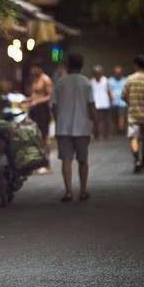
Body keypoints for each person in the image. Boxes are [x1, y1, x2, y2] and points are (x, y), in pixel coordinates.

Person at [51, 53, 99, 202]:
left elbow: (54, 105)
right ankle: (83, 191)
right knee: (83, 160)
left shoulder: (60, 82)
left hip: (63, 128)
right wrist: (96, 126)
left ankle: (68, 192)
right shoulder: (86, 83)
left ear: (67, 65)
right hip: (83, 128)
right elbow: (91, 106)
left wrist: (59, 120)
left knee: (66, 160)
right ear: (82, 66)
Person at [28, 61, 54, 173]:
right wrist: (28, 100)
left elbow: (50, 95)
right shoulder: (35, 79)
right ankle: (38, 163)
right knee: (36, 137)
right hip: (35, 110)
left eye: (35, 68)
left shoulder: (46, 79)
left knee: (44, 137)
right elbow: (34, 95)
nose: (33, 71)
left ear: (40, 69)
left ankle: (47, 164)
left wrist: (37, 101)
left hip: (43, 110)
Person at [90, 65, 112, 139]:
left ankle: (107, 134)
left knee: (106, 119)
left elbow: (109, 90)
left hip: (105, 102)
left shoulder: (105, 80)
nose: (97, 74)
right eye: (96, 73)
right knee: (96, 120)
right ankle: (98, 134)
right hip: (96, 103)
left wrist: (111, 97)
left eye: (99, 72)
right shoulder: (91, 81)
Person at [108, 66, 127, 134]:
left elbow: (127, 90)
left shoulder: (125, 80)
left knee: (121, 115)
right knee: (114, 116)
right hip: (113, 101)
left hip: (122, 101)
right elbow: (109, 90)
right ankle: (115, 129)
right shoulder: (110, 80)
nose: (118, 74)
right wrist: (111, 97)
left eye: (119, 73)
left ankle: (121, 128)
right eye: (116, 72)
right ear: (114, 73)